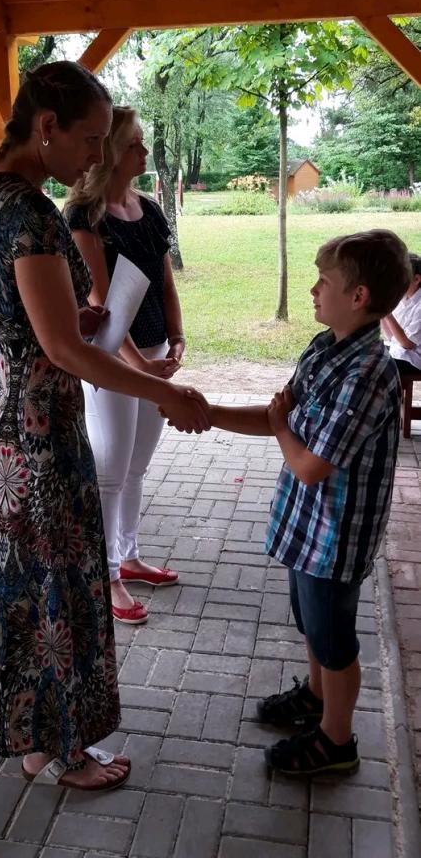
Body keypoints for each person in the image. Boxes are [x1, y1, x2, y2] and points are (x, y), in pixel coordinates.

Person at [0, 62, 210, 793]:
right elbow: (64, 351)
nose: (97, 155)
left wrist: (59, 317)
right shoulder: (33, 211)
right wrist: (166, 391)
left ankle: (15, 715)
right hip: (39, 430)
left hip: (0, 421)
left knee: (20, 577)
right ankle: (56, 750)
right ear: (47, 128)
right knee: (59, 583)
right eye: (91, 138)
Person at [201, 230, 411, 776]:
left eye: (324, 281)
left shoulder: (369, 373)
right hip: (307, 524)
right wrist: (209, 413)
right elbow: (282, 416)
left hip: (337, 535)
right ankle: (317, 700)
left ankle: (337, 741)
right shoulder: (323, 349)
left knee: (335, 640)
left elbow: (311, 465)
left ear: (358, 296)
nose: (313, 290)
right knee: (312, 624)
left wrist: (279, 427)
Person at [64, 107, 184, 626]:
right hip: (111, 358)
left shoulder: (149, 210)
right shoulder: (84, 217)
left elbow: (164, 284)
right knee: (110, 470)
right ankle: (106, 574)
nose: (144, 150)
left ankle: (129, 556)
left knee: (136, 466)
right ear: (112, 152)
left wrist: (176, 339)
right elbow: (101, 298)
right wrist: (139, 365)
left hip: (154, 355)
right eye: (135, 143)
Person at [382, 251, 421, 377]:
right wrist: (381, 312)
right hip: (399, 352)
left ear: (416, 279)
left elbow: (408, 344)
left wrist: (388, 314)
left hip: (414, 360)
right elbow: (391, 337)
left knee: (377, 365)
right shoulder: (402, 299)